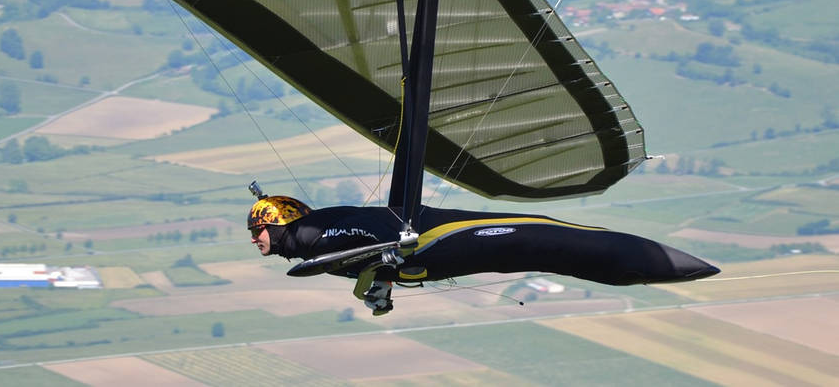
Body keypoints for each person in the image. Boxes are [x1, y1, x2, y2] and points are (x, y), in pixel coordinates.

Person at [248, 188, 719, 315]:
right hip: (429, 259)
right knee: (536, 247)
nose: (255, 240)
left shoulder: (312, 235)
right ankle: (629, 267)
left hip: (435, 240)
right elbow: (363, 257)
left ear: (275, 219)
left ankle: (637, 261)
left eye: (258, 230)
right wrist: (378, 286)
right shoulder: (310, 244)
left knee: (538, 238)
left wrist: (388, 254)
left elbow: (362, 236)